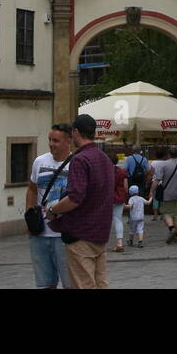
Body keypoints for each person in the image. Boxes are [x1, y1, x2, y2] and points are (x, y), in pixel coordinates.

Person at [46, 114, 115, 289]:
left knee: (83, 284)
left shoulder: (80, 159)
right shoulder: (104, 158)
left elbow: (75, 198)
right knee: (100, 284)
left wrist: (53, 211)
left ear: (76, 132)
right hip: (101, 230)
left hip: (81, 232)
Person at [26, 123, 72, 288]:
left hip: (64, 235)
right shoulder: (39, 161)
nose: (51, 144)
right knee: (44, 283)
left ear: (68, 141)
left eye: (56, 141)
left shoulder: (75, 164)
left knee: (70, 283)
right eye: (50, 140)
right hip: (39, 233)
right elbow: (32, 189)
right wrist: (30, 216)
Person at [152, 145, 177, 244]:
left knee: (167, 212)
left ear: (169, 154)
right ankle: (176, 234)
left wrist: (151, 191)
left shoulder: (163, 165)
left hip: (167, 194)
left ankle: (171, 229)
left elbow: (157, 180)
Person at [110, 153, 128, 253]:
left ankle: (101, 243)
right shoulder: (122, 171)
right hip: (120, 197)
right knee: (118, 219)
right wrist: (125, 196)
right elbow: (125, 186)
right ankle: (119, 243)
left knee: (105, 220)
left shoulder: (104, 171)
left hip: (107, 198)